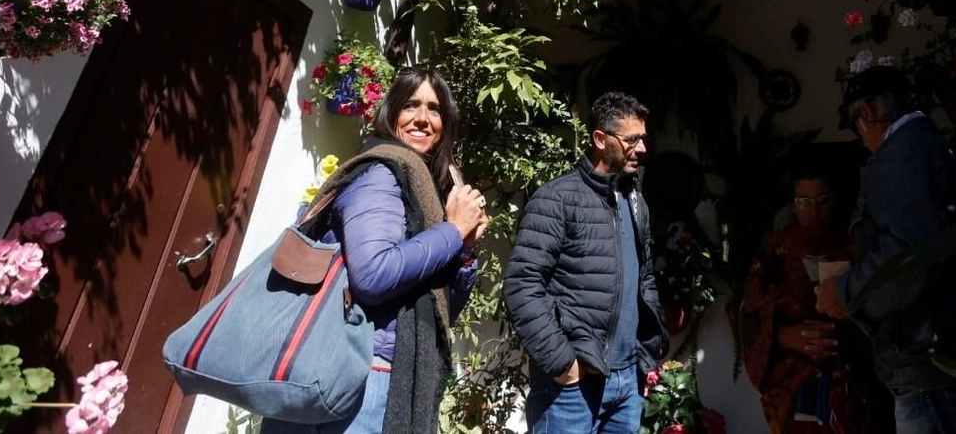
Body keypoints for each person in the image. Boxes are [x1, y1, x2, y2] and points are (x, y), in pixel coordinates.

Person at [265, 66, 489, 434]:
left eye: (434, 110)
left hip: (374, 370)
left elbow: (442, 308)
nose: (422, 119)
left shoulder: (424, 191)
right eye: (411, 106)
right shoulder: (381, 175)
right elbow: (373, 276)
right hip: (357, 373)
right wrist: (452, 230)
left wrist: (463, 249)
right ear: (391, 112)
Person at [814, 66, 956, 434]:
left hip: (938, 372)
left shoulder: (904, 153)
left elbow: (911, 256)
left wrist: (845, 291)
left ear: (867, 113)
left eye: (855, 123)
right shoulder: (933, 148)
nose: (861, 139)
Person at [504, 91, 669, 434]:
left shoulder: (635, 201)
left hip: (626, 382)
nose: (641, 148)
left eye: (644, 139)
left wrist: (645, 353)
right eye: (631, 139)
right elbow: (522, 285)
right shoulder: (557, 198)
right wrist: (563, 364)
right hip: (573, 386)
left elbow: (645, 277)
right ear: (599, 138)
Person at [739, 166, 871, 433]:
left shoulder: (855, 247)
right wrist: (782, 335)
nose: (814, 211)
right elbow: (750, 312)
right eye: (804, 202)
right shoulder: (775, 251)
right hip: (793, 382)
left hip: (851, 378)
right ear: (793, 206)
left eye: (822, 201)